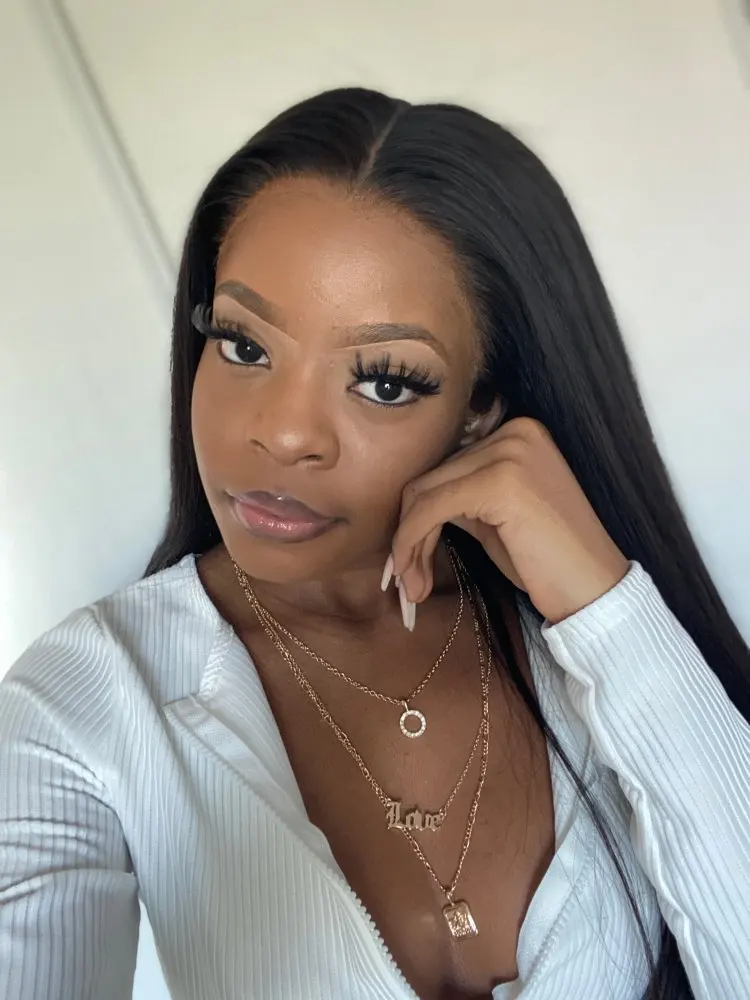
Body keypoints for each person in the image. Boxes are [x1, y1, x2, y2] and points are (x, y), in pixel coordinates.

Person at [0, 88, 748, 1000]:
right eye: (243, 345)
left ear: (480, 410)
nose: (285, 433)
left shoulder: (583, 645)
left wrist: (609, 610)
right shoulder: (85, 699)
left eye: (385, 381)